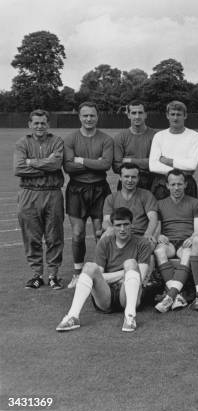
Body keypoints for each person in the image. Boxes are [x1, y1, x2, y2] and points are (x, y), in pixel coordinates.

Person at [55, 207, 152, 332]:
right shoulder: (105, 242)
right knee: (89, 267)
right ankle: (73, 317)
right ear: (112, 226)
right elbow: (97, 276)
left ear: (131, 225)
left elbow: (141, 277)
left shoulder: (142, 243)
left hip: (128, 296)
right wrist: (125, 274)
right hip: (106, 295)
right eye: (118, 225)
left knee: (131, 263)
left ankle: (130, 316)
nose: (122, 229)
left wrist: (124, 273)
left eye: (126, 224)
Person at [63, 102, 113, 288]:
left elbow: (106, 165)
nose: (89, 119)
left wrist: (81, 160)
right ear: (79, 117)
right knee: (77, 234)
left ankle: (102, 271)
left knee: (101, 232)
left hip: (100, 189)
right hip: (76, 189)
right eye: (85, 116)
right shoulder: (70, 139)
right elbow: (68, 166)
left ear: (97, 117)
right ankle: (77, 273)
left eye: (92, 115)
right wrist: (94, 162)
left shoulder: (106, 139)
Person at [14, 109, 65, 289]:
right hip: (28, 192)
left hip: (52, 193)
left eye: (43, 123)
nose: (39, 126)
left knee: (54, 235)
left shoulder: (57, 141)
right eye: (36, 123)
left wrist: (31, 162)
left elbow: (56, 164)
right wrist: (45, 163)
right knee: (31, 236)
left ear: (48, 124)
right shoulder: (22, 143)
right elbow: (18, 168)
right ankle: (36, 275)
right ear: (30, 125)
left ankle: (53, 274)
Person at [153, 169, 198, 313]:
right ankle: (176, 296)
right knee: (159, 250)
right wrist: (158, 236)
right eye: (173, 184)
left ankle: (170, 295)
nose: (176, 188)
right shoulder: (160, 204)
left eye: (180, 184)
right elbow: (157, 228)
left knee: (188, 252)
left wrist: (193, 237)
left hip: (185, 242)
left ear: (185, 184)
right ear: (167, 185)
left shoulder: (195, 203)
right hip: (169, 242)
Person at [149, 101, 198, 199]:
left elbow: (192, 165)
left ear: (185, 116)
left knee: (187, 214)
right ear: (167, 115)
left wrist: (167, 161)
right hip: (162, 184)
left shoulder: (195, 137)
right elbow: (153, 166)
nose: (175, 118)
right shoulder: (159, 136)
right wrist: (182, 170)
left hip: (186, 184)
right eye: (172, 114)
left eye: (179, 115)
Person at [101, 163, 158, 245]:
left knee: (149, 244)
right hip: (120, 235)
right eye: (126, 176)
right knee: (105, 237)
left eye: (133, 177)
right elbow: (106, 221)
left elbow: (153, 218)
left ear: (138, 178)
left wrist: (148, 233)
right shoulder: (111, 198)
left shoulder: (147, 195)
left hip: (140, 236)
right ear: (120, 177)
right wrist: (110, 228)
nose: (130, 180)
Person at [112, 101, 159, 192]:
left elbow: (156, 163)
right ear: (128, 115)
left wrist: (129, 160)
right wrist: (144, 163)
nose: (137, 116)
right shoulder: (120, 137)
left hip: (150, 183)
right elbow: (117, 166)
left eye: (140, 113)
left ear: (145, 114)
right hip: (126, 183)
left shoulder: (156, 136)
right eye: (134, 113)